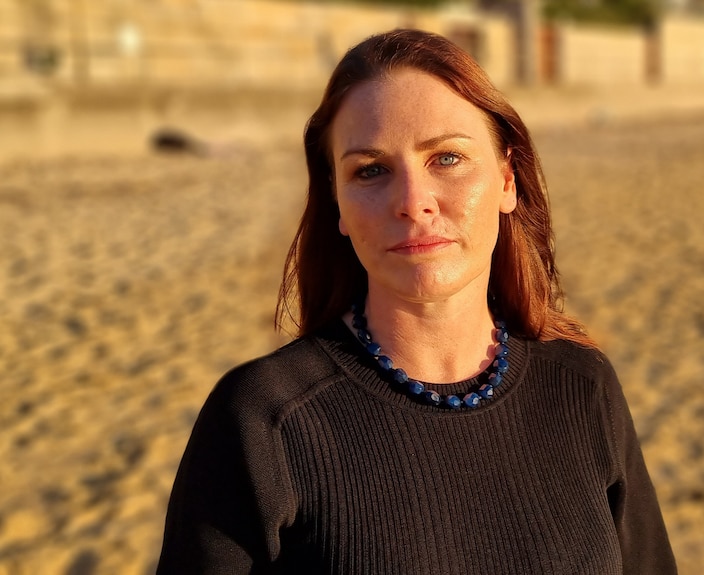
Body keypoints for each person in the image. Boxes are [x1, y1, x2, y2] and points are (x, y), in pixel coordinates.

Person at [157, 29, 676, 574]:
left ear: (507, 180)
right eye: (371, 170)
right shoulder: (264, 419)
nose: (412, 202)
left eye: (447, 158)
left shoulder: (583, 388)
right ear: (337, 202)